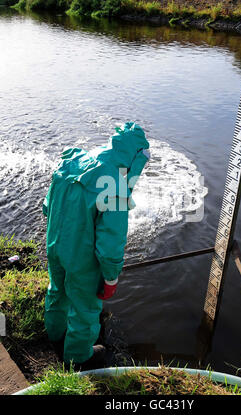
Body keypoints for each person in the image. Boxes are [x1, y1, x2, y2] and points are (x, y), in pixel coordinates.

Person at [42, 122, 150, 370]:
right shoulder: (116, 182)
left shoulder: (73, 160)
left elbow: (47, 205)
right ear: (134, 159)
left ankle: (55, 334)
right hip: (83, 257)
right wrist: (111, 278)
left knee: (57, 290)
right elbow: (111, 240)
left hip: (55, 244)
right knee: (86, 307)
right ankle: (79, 357)